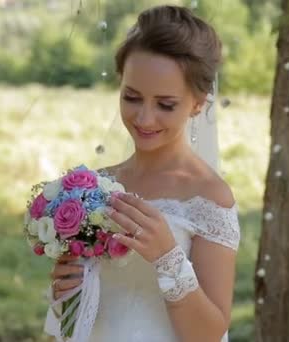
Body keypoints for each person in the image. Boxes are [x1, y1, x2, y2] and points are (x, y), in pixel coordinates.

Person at [44, 5, 241, 342]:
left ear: (198, 103)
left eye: (165, 105)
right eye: (132, 97)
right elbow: (77, 317)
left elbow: (210, 334)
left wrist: (168, 257)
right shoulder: (95, 187)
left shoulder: (208, 196)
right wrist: (68, 288)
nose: (144, 119)